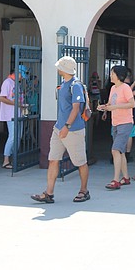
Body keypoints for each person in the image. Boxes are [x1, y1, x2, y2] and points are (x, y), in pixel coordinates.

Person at [32, 56, 90, 204]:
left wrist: (67, 126)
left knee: (80, 162)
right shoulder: (64, 84)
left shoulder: (75, 85)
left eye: (59, 67)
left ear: (64, 69)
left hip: (72, 130)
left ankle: (84, 191)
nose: (57, 69)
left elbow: (76, 108)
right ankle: (49, 193)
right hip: (59, 128)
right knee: (53, 160)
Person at [97, 65, 135, 190]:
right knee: (120, 151)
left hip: (125, 123)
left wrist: (115, 107)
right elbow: (110, 103)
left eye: (112, 73)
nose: (110, 75)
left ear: (119, 76)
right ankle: (126, 177)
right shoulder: (113, 88)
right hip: (115, 123)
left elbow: (132, 104)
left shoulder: (126, 88)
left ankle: (115, 180)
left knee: (115, 150)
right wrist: (104, 107)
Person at [0, 70, 16, 169]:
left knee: (17, 137)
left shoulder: (15, 83)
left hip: (17, 113)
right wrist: (16, 104)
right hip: (10, 114)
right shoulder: (7, 82)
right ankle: (6, 160)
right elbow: (2, 98)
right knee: (13, 137)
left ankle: (14, 160)